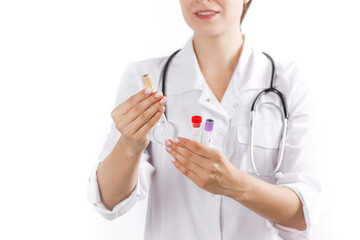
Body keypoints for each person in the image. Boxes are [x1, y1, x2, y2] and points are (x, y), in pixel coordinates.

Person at [87, 0, 323, 239]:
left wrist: (236, 184)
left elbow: (304, 213)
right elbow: (110, 199)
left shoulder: (289, 83)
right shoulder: (145, 78)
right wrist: (129, 144)